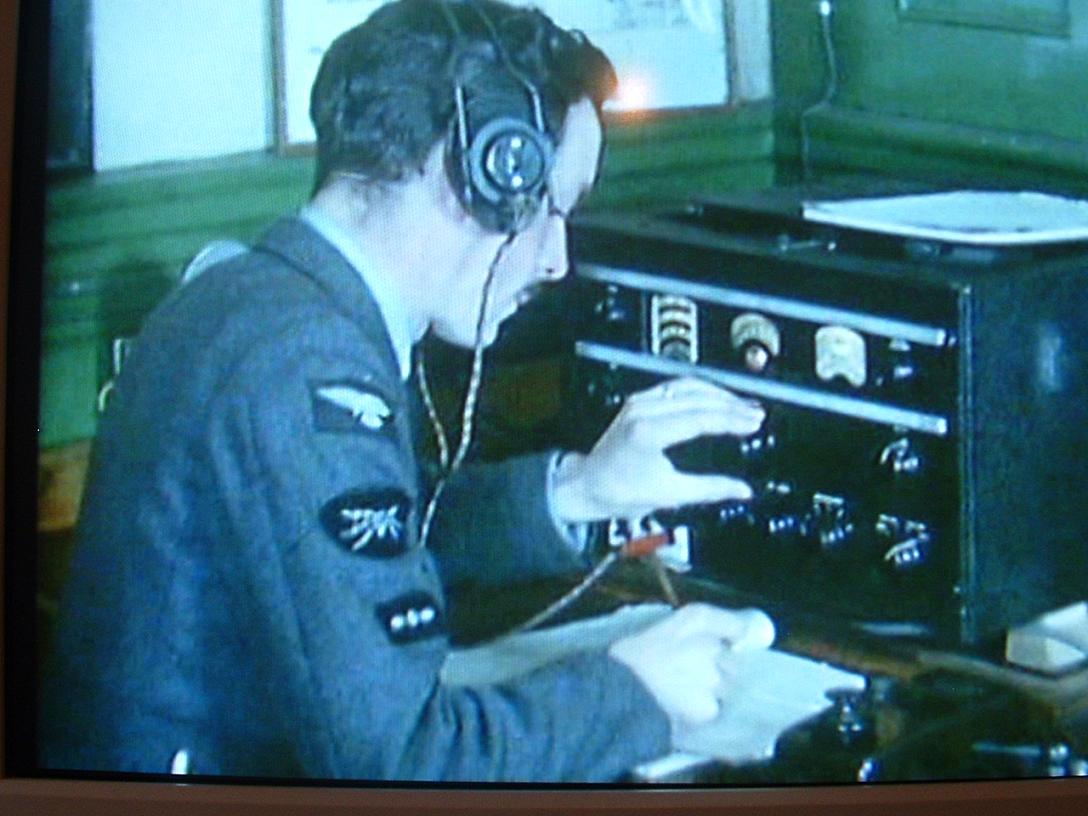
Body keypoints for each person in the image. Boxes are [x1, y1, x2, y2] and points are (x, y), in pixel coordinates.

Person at [40, 0, 771, 782]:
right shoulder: (307, 365)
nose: (556, 258)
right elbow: (404, 764)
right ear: (482, 168)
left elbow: (361, 552)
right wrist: (634, 693)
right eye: (549, 206)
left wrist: (578, 490)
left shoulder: (248, 294)